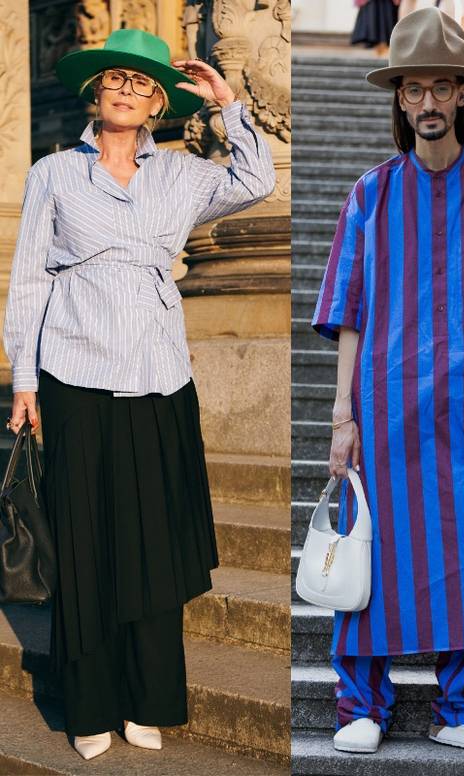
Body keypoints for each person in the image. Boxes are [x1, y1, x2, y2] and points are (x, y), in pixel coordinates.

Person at [4, 28, 275, 760]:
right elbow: (29, 278)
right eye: (114, 80)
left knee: (153, 543)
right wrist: (24, 380)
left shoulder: (182, 175)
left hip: (160, 376)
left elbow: (257, 182)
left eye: (142, 84)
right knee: (89, 540)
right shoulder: (54, 174)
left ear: (160, 101)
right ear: (96, 94)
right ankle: (89, 704)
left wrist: (226, 103)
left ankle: (148, 695)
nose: (126, 91)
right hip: (76, 373)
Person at [312, 7, 464, 757]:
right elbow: (348, 312)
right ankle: (362, 705)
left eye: (439, 87)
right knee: (376, 546)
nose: (426, 103)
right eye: (412, 89)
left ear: (461, 95)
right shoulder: (369, 195)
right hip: (384, 405)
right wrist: (342, 416)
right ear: (400, 99)